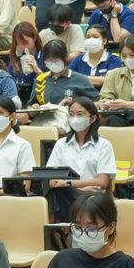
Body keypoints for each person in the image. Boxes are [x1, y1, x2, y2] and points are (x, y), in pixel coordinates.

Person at [43, 92, 117, 221]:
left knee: (57, 197)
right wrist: (80, 189)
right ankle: (53, 232)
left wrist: (68, 184)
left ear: (92, 118)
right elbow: (53, 182)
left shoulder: (104, 145)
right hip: (67, 195)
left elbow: (102, 182)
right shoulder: (61, 144)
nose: (75, 118)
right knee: (54, 193)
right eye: (71, 114)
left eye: (80, 114)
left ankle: (57, 233)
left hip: (94, 196)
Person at [32, 38, 93, 107]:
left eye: (57, 61)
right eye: (48, 61)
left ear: (66, 57)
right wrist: (33, 107)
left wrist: (75, 106)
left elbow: (96, 101)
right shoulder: (40, 79)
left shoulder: (80, 79)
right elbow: (30, 105)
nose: (53, 64)